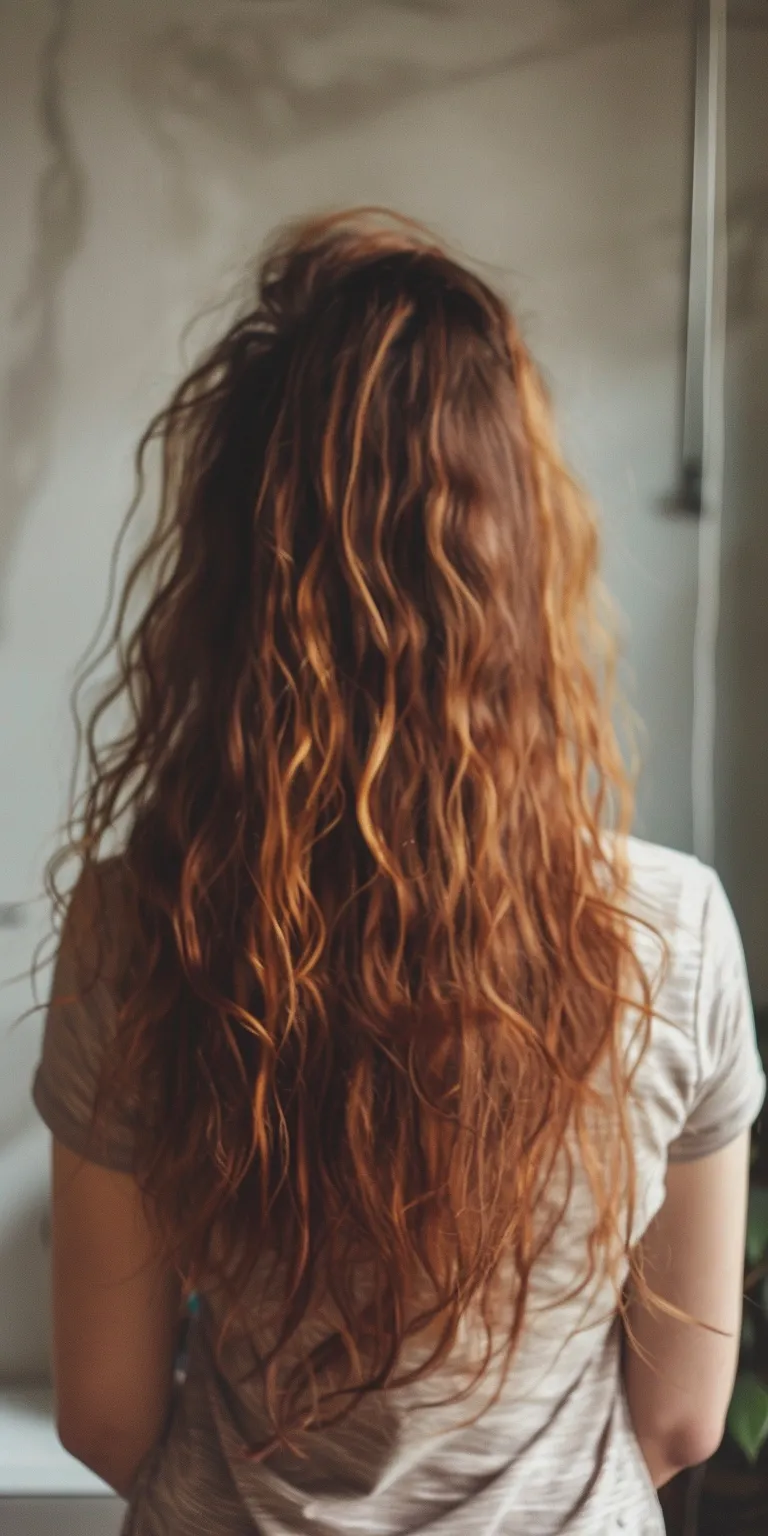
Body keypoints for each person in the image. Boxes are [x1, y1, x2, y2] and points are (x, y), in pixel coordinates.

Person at [32, 209, 765, 1536]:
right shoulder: (674, 929)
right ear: (526, 557)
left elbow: (104, 1410)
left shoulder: (144, 926)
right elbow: (680, 1420)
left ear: (232, 576)